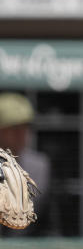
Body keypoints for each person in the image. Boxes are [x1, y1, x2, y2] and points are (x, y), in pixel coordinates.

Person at [0, 92, 50, 234]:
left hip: (26, 245)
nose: (22, 135)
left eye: (25, 128)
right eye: (14, 129)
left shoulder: (39, 166)